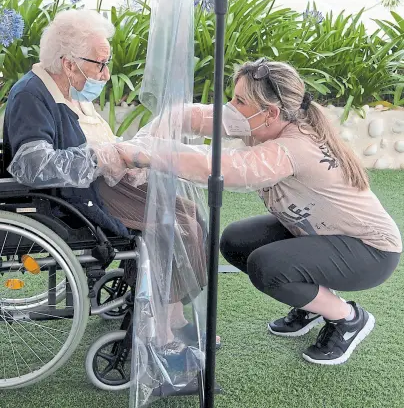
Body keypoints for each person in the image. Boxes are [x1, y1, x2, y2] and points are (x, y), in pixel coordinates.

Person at [117, 58, 402, 365]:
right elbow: (193, 116)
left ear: (271, 112)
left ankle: (348, 317)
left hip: (370, 252)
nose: (231, 106)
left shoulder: (295, 146)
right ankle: (312, 305)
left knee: (267, 267)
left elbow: (223, 168)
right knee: (235, 241)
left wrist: (142, 155)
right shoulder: (265, 121)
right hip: (321, 233)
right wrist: (151, 133)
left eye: (239, 100)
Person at [3, 9, 218, 359]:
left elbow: (98, 140)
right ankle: (163, 329)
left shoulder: (70, 91)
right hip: (76, 196)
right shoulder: (32, 95)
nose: (106, 73)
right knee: (174, 226)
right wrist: (104, 157)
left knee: (192, 214)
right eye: (99, 64)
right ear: (69, 63)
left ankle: (171, 310)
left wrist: (124, 157)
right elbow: (32, 165)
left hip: (98, 183)